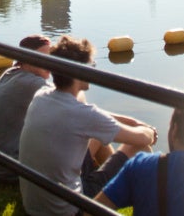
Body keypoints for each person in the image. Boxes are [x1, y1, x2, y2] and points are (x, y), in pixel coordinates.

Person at [18, 35, 157, 216]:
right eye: (91, 67)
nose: (94, 72)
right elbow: (143, 138)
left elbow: (88, 111)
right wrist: (149, 129)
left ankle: (107, 178)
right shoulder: (84, 115)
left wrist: (132, 122)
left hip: (34, 206)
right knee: (141, 150)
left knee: (101, 136)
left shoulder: (41, 96)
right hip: (69, 210)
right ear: (79, 72)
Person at [0, 34, 53, 182]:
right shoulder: (32, 83)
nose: (50, 64)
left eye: (51, 58)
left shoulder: (10, 73)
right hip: (5, 169)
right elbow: (71, 103)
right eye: (43, 58)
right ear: (26, 59)